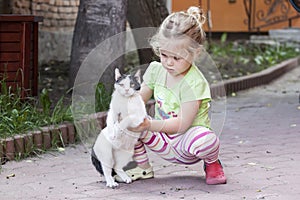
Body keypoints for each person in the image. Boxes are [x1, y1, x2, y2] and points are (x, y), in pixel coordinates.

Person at [124, 6, 227, 185]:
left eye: (177, 58)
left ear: (195, 53)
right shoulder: (156, 70)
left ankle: (212, 163)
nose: (169, 62)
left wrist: (150, 124)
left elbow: (182, 125)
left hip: (187, 143)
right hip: (162, 140)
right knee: (127, 123)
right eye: (164, 55)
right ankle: (142, 167)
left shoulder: (194, 83)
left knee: (206, 140)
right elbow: (139, 100)